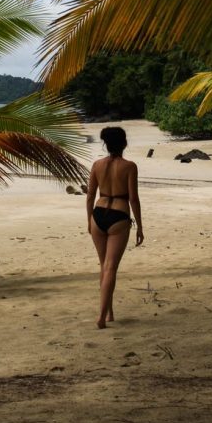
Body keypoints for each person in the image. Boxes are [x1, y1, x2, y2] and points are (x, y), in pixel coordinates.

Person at [86, 126, 143, 329]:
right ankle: (101, 316)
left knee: (104, 266)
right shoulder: (129, 166)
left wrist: (88, 220)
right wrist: (140, 226)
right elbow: (134, 199)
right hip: (119, 215)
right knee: (111, 267)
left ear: (106, 144)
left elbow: (90, 195)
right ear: (124, 143)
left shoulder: (97, 165)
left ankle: (109, 312)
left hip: (98, 214)